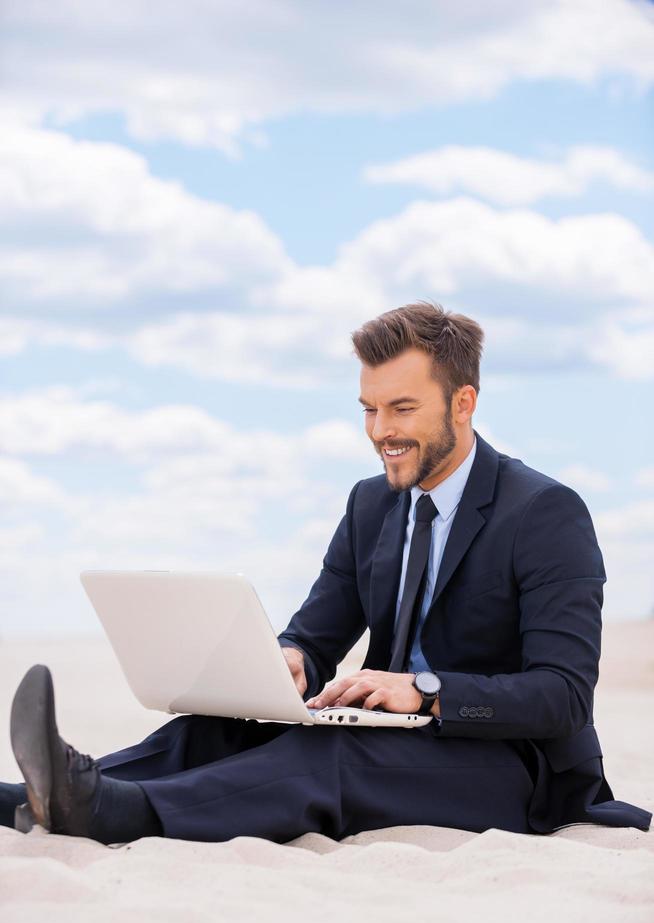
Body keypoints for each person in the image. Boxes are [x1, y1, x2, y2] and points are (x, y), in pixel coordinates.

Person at [1, 302, 651, 843]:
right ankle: (60, 792)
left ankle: (118, 812)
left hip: (513, 768)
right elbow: (316, 635)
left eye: (401, 408)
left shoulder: (544, 512)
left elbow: (563, 697)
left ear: (462, 404)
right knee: (220, 728)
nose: (379, 431)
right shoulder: (371, 504)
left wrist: (422, 689)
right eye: (368, 408)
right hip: (398, 743)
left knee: (331, 754)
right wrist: (288, 663)